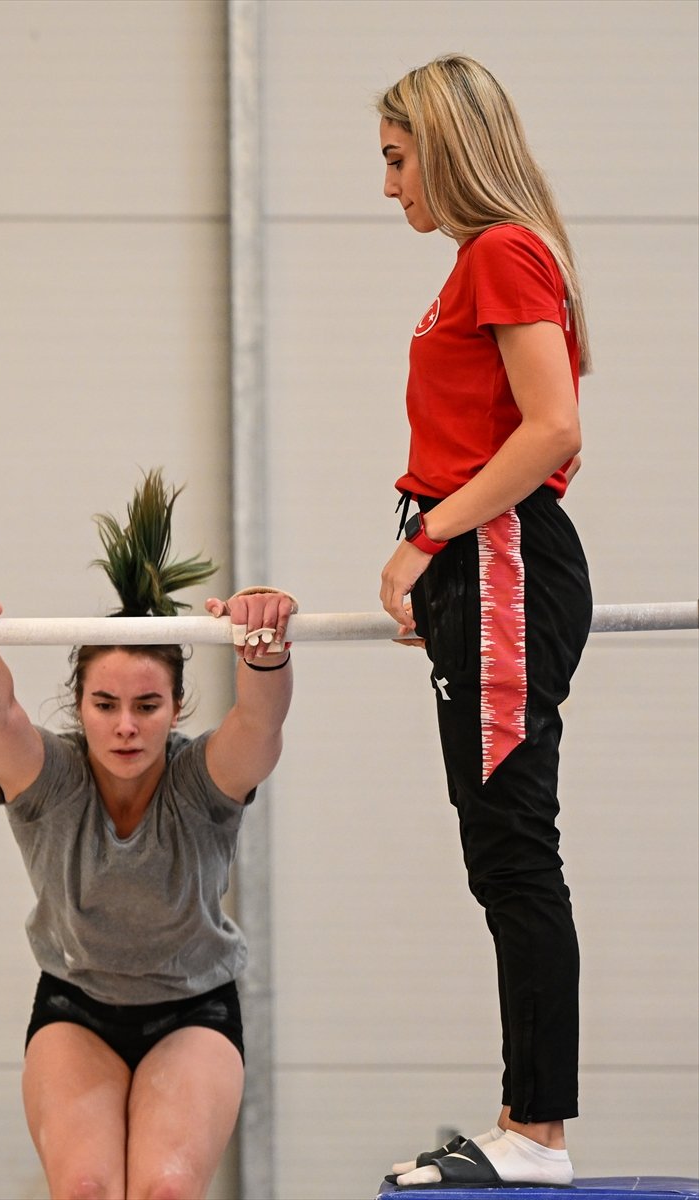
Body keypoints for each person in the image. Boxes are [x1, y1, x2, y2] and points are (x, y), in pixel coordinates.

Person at [0, 471, 296, 1200]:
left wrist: (263, 642)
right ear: (79, 704)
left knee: (165, 1190)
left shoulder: (202, 783)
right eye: (107, 704)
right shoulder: (50, 780)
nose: (126, 725)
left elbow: (260, 721)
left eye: (148, 705)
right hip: (76, 1005)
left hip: (194, 1008)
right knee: (87, 1188)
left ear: (177, 707)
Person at [375, 55, 593, 1189]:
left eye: (399, 160)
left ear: (448, 150)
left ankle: (538, 1135)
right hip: (482, 569)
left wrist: (427, 544)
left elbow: (549, 427)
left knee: (513, 849)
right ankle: (528, 1122)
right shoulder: (480, 260)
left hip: (501, 559)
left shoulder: (501, 250)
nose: (390, 186)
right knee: (497, 847)